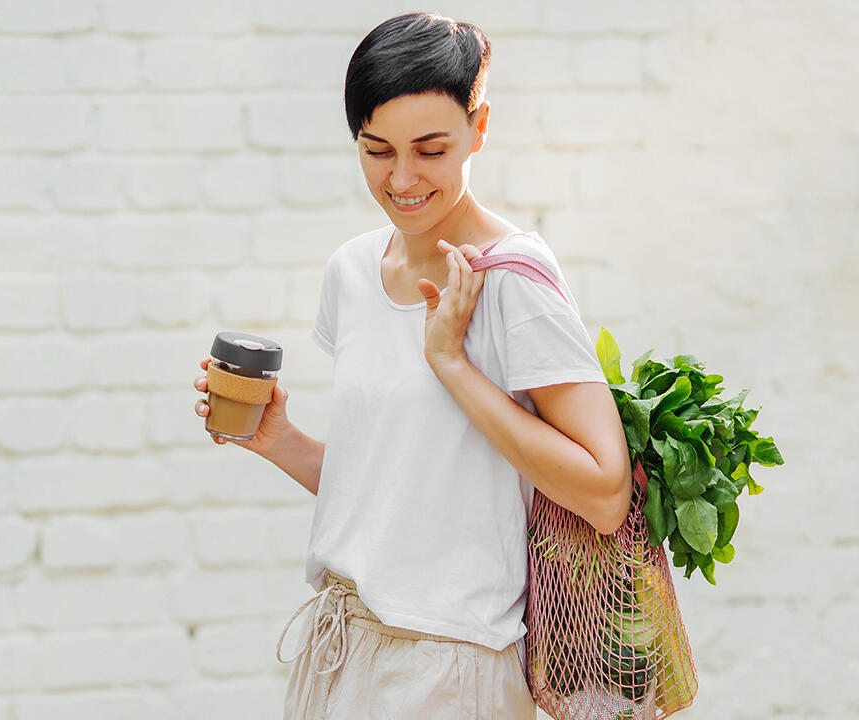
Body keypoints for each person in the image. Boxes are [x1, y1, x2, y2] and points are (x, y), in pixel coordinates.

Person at [192, 11, 630, 719]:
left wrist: (453, 365)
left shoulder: (512, 279)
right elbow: (401, 490)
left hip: (449, 667)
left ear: (478, 129)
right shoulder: (354, 271)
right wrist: (277, 441)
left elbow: (605, 493)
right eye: (376, 150)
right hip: (343, 647)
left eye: (431, 149)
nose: (402, 178)